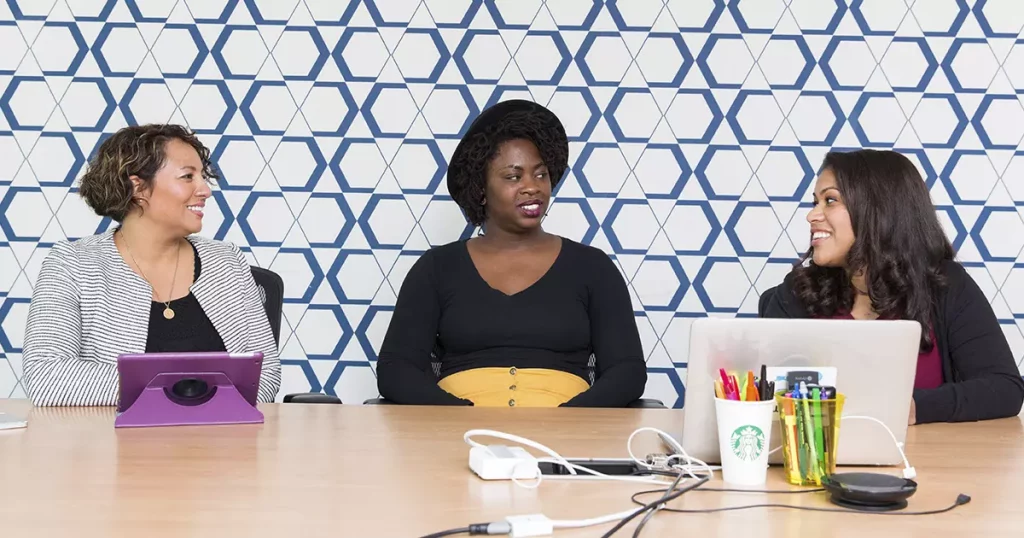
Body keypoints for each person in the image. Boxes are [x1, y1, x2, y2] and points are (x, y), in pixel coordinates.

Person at [376, 100, 647, 407]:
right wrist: (460, 417)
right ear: (481, 189)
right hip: (457, 433)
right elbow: (396, 369)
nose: (532, 187)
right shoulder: (436, 269)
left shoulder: (593, 268)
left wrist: (568, 419)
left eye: (540, 175)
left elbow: (627, 371)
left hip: (565, 437)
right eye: (513, 177)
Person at [23, 124, 281, 406]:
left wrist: (159, 387)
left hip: (223, 443)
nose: (205, 190)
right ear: (138, 187)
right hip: (112, 447)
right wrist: (185, 388)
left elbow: (264, 374)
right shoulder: (72, 265)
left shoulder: (228, 262)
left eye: (203, 177)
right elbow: (45, 377)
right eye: (187, 177)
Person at [760, 149, 1024, 424]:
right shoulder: (796, 292)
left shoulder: (945, 285)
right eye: (815, 202)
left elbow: (1004, 389)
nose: (812, 215)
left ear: (878, 209)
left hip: (926, 462)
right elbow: (767, 398)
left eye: (830, 200)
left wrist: (912, 408)